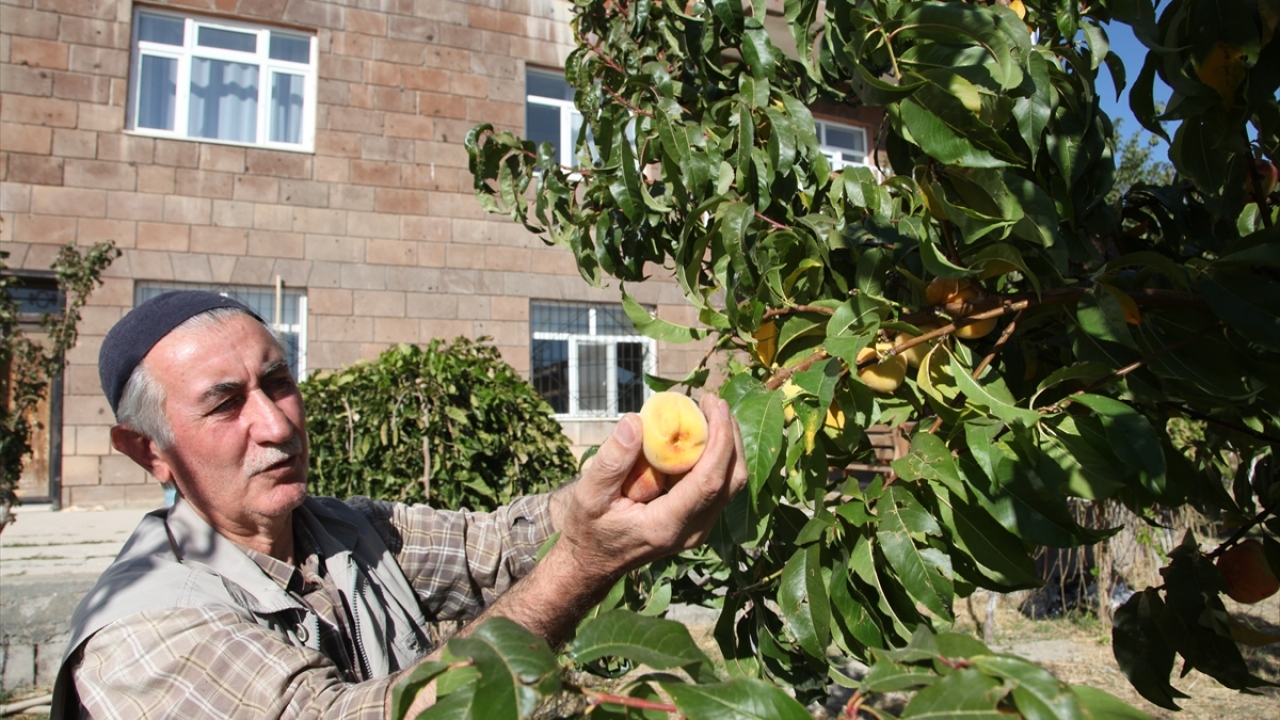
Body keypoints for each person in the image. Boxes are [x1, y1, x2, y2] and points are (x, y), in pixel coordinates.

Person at [51, 291, 747, 719]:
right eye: (226, 403)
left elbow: (497, 545)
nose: (276, 423)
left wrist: (628, 484)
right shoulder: (143, 632)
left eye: (278, 382)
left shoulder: (340, 532)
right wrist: (588, 562)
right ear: (149, 451)